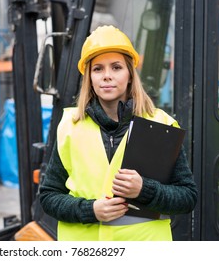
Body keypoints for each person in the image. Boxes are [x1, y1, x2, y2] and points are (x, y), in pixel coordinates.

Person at [39, 25, 198, 241]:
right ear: (89, 78)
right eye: (98, 69)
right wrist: (90, 210)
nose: (107, 76)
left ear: (130, 74)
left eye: (116, 67)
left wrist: (145, 190)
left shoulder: (162, 125)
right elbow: (48, 196)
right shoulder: (70, 127)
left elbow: (187, 196)